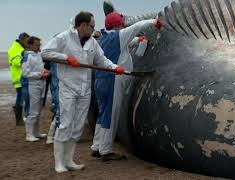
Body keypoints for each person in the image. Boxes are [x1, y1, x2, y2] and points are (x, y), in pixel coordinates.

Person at [41, 11, 125, 173]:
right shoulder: (64, 37)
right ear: (83, 25)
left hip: (85, 89)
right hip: (68, 88)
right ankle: (59, 163)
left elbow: (102, 60)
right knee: (65, 124)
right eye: (92, 26)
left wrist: (115, 68)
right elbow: (45, 52)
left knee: (78, 126)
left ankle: (69, 160)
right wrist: (65, 58)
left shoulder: (92, 42)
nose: (94, 29)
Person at [90, 12, 163, 161]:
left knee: (103, 114)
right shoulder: (118, 36)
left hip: (101, 80)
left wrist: (141, 41)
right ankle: (105, 150)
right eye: (122, 24)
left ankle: (96, 146)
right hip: (112, 80)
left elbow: (130, 41)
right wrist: (155, 22)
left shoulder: (105, 38)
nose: (123, 25)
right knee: (111, 114)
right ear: (117, 24)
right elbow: (137, 26)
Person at [22, 36, 49, 142]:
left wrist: (45, 72)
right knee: (33, 110)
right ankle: (29, 134)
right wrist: (40, 74)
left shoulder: (38, 55)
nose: (39, 47)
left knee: (38, 110)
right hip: (33, 85)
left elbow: (40, 68)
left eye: (39, 45)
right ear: (30, 45)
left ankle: (36, 132)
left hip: (41, 84)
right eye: (37, 45)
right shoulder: (27, 56)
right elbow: (25, 73)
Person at [8, 32, 30, 126]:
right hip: (19, 78)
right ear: (22, 39)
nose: (28, 43)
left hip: (23, 78)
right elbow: (17, 62)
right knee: (21, 99)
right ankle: (19, 120)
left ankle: (20, 120)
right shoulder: (15, 48)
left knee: (21, 98)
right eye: (27, 41)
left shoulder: (21, 48)